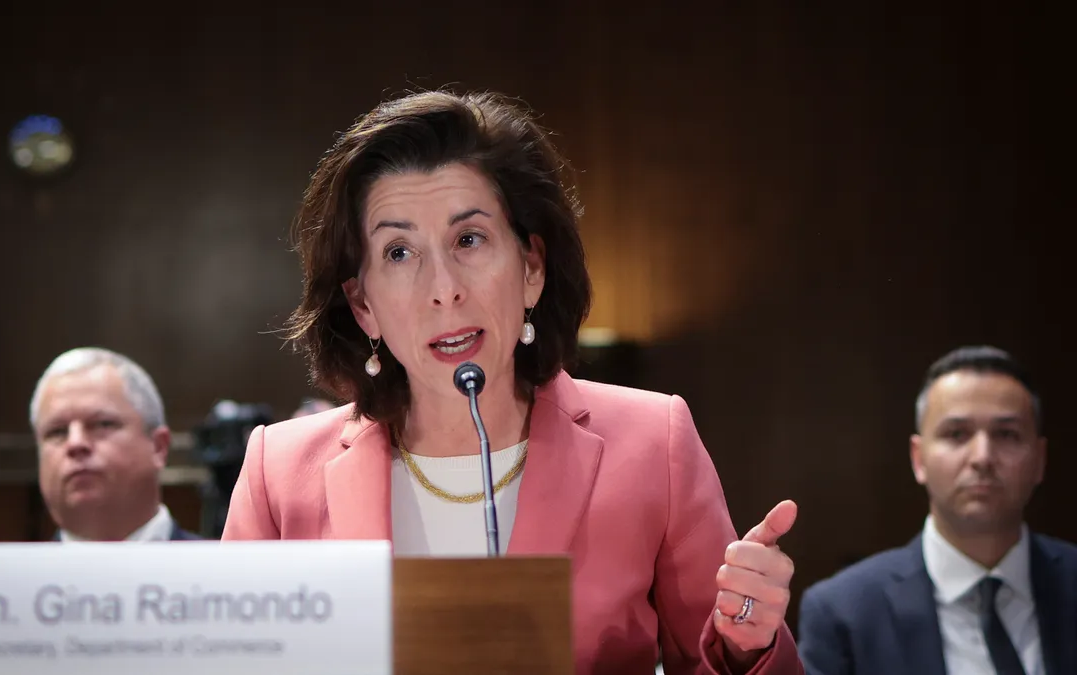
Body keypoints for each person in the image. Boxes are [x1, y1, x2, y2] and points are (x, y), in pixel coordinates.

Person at [221, 90, 803, 674]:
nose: (442, 287)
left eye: (468, 240)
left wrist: (746, 643)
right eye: (399, 252)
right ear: (363, 305)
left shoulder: (654, 444)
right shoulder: (279, 471)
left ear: (531, 268)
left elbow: (714, 661)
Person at [797, 346, 1077, 675]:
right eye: (956, 434)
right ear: (918, 459)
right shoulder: (843, 613)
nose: (982, 457)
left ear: (1040, 459)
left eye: (1007, 434)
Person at [30, 347, 201, 541]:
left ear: (158, 447)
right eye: (57, 432)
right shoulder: (14, 572)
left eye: (102, 424)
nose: (76, 443)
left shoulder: (220, 568)